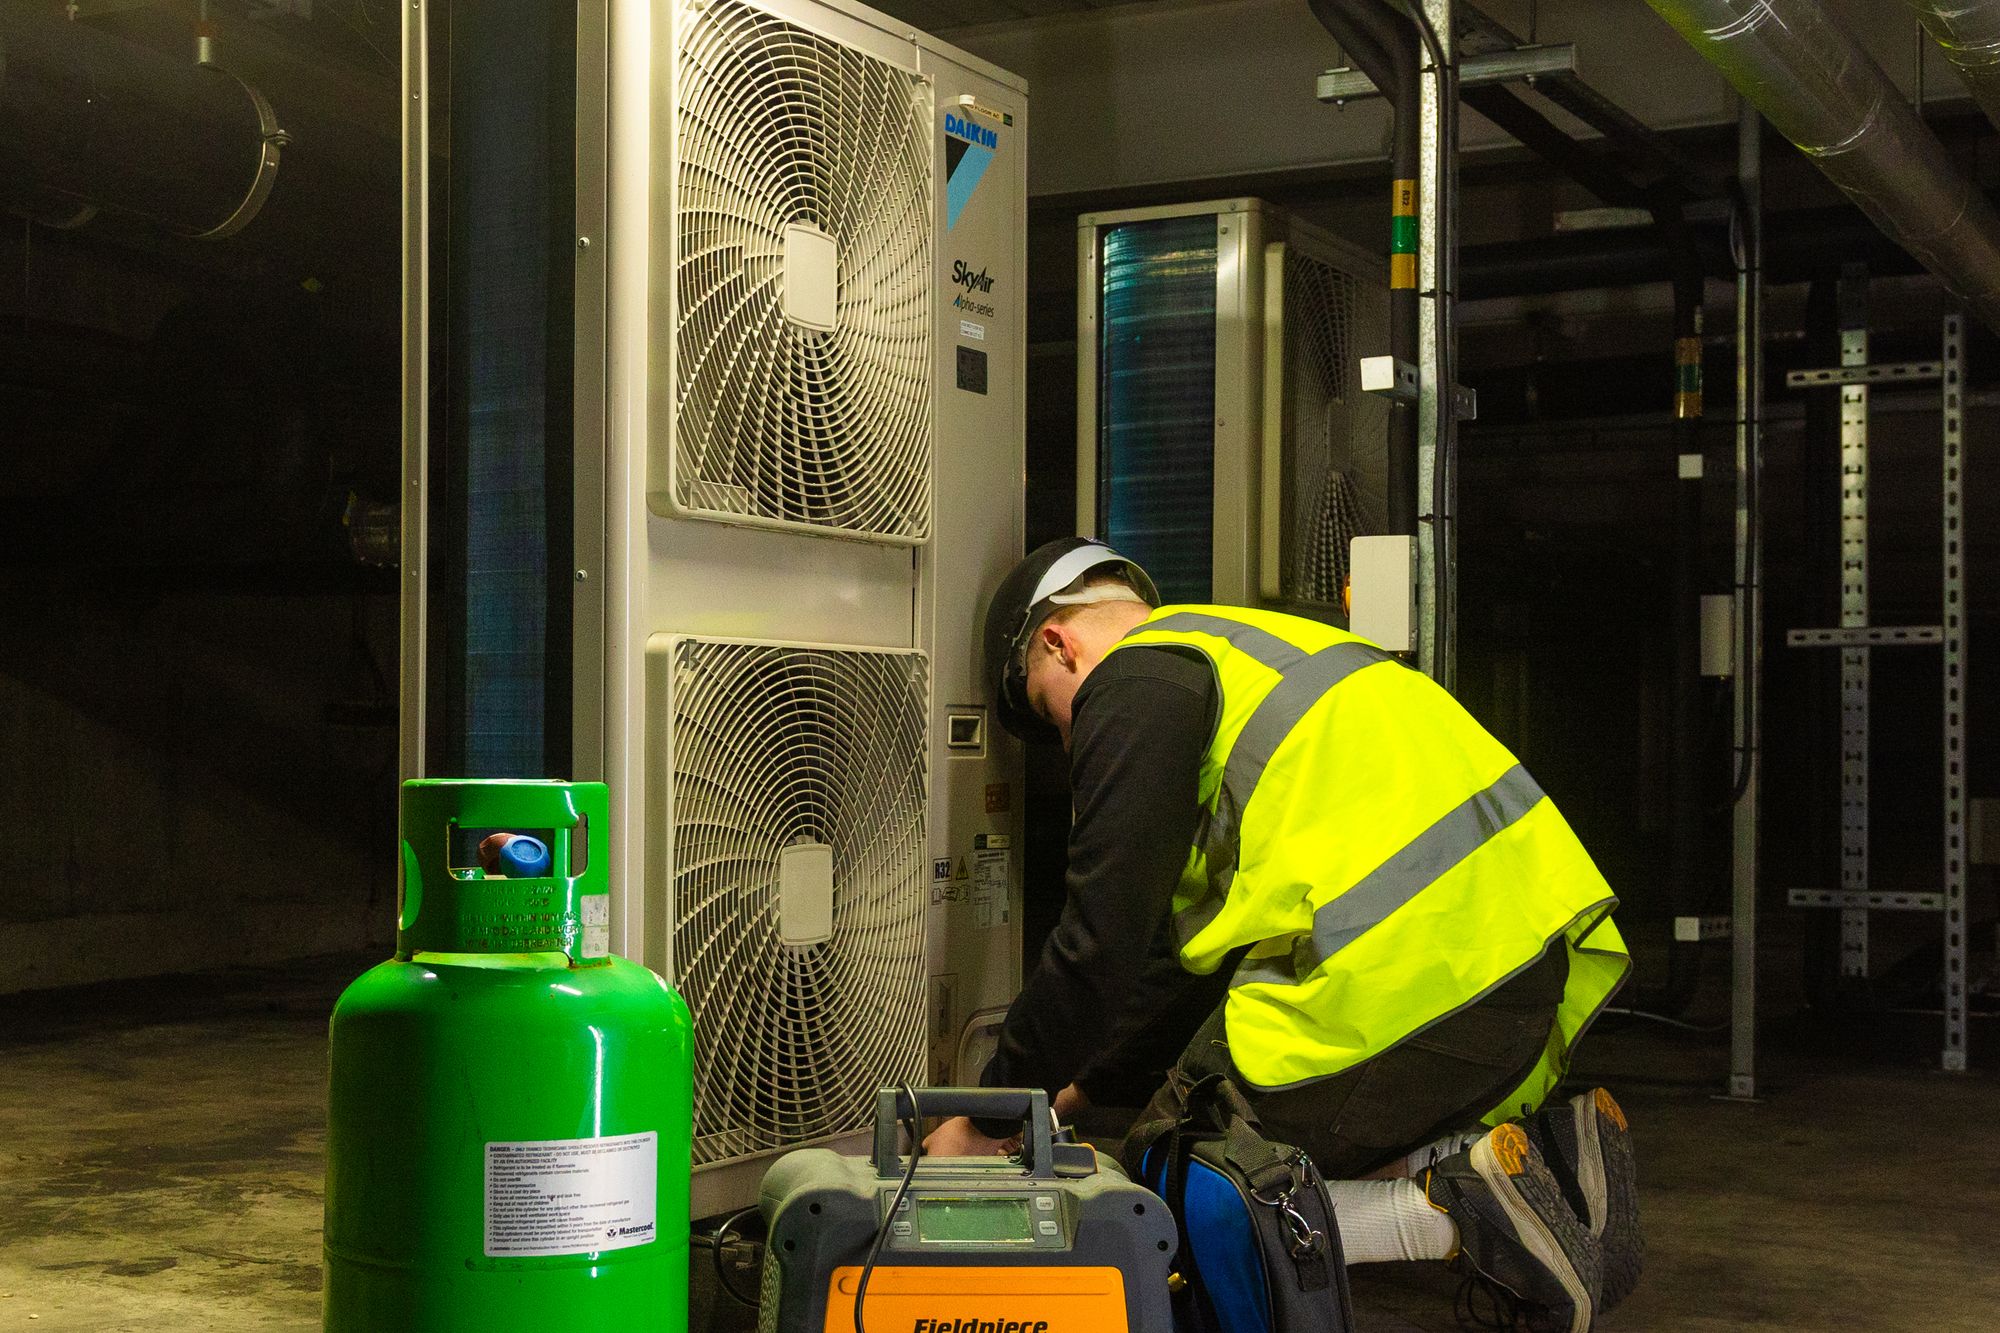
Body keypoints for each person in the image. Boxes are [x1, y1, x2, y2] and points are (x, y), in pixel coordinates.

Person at [923, 538, 1640, 1332]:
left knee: (1177, 1171)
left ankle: (1457, 1216)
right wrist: (1075, 1085)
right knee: (1258, 1112)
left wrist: (989, 1113)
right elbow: (1176, 966)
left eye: (1049, 709)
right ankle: (1547, 1166)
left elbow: (1099, 940)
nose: (1068, 739)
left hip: (1406, 987)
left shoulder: (1133, 679)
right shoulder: (1254, 648)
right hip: (1512, 984)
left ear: (1059, 643)